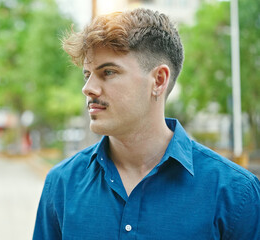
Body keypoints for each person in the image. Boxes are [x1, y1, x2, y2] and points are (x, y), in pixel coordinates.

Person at [33, 8, 260, 240]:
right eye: (87, 74)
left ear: (159, 81)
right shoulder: (62, 184)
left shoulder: (235, 193)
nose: (88, 88)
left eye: (108, 72)